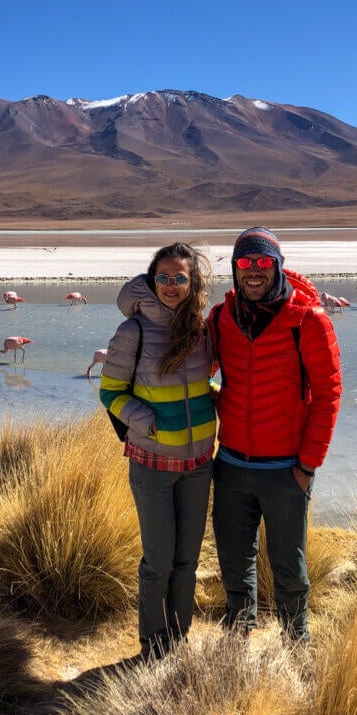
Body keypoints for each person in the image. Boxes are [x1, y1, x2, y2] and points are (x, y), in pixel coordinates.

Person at [208, 227, 342, 642]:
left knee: (288, 565)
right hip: (230, 464)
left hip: (286, 469)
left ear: (278, 267)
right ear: (234, 268)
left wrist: (307, 465)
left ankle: (294, 642)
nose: (254, 272)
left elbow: (328, 394)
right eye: (245, 263)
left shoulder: (308, 321)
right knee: (233, 560)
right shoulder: (221, 318)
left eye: (263, 263)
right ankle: (238, 638)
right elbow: (198, 374)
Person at [100, 243, 216, 660]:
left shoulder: (201, 329)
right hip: (153, 463)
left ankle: (178, 640)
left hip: (200, 463)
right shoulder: (134, 331)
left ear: (192, 282)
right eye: (163, 277)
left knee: (187, 561)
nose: (171, 285)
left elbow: (199, 383)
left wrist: (213, 400)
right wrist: (146, 421)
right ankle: (153, 644)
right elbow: (110, 392)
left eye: (179, 278)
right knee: (158, 561)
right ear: (151, 281)